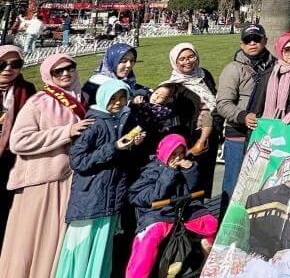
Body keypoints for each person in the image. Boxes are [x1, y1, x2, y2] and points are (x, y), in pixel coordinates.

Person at [0, 54, 91, 278]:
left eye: (69, 68)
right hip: (42, 182)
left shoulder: (85, 99)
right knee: (35, 238)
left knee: (60, 238)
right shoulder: (39, 101)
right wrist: (65, 133)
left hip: (73, 180)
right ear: (48, 75)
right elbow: (19, 141)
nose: (65, 74)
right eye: (57, 71)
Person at [54, 79, 146, 278]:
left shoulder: (118, 121)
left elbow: (117, 159)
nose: (119, 102)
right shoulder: (93, 123)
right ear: (104, 97)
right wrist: (114, 147)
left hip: (110, 197)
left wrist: (130, 145)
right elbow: (78, 161)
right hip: (90, 198)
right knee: (81, 247)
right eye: (114, 98)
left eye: (123, 97)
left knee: (102, 248)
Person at [125, 134, 218, 278]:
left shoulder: (185, 164)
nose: (178, 158)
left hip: (182, 210)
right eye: (174, 154)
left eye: (181, 153)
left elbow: (190, 189)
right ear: (165, 152)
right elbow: (141, 197)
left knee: (211, 223)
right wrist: (169, 173)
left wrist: (190, 170)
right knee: (149, 238)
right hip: (158, 212)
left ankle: (208, 265)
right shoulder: (152, 169)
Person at [215, 24, 275, 216]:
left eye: (257, 39)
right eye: (248, 40)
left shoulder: (276, 67)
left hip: (265, 134)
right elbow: (223, 104)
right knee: (233, 186)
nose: (252, 43)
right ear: (242, 44)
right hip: (238, 135)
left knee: (262, 187)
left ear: (265, 41)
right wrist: (242, 116)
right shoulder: (233, 69)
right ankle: (224, 231)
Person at [166, 43, 220, 197]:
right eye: (181, 59)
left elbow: (213, 98)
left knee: (204, 180)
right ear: (175, 62)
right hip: (189, 141)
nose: (187, 61)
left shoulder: (204, 75)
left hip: (210, 136)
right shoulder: (174, 86)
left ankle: (200, 216)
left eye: (191, 57)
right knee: (188, 182)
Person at [0, 45, 33, 238]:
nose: (8, 69)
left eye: (15, 64)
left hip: (11, 161)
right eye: (2, 63)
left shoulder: (26, 90)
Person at [248, 33, 290, 126]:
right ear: (280, 51)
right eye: (287, 49)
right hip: (270, 129)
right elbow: (257, 108)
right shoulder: (268, 75)